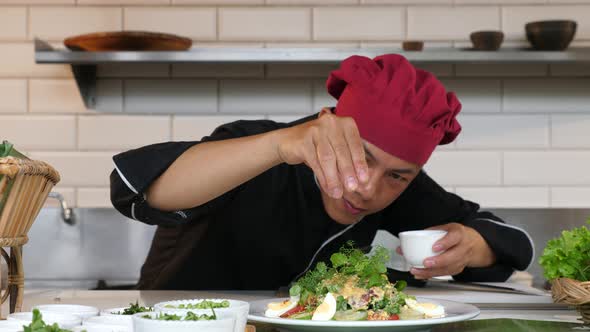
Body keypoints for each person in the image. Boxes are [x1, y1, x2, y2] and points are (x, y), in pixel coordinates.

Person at [110, 54, 534, 290]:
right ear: (327, 123)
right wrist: (278, 145)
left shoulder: (403, 187)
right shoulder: (257, 148)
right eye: (361, 157)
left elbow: (513, 241)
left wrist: (473, 246)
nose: (368, 188)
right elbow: (141, 192)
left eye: (398, 175)